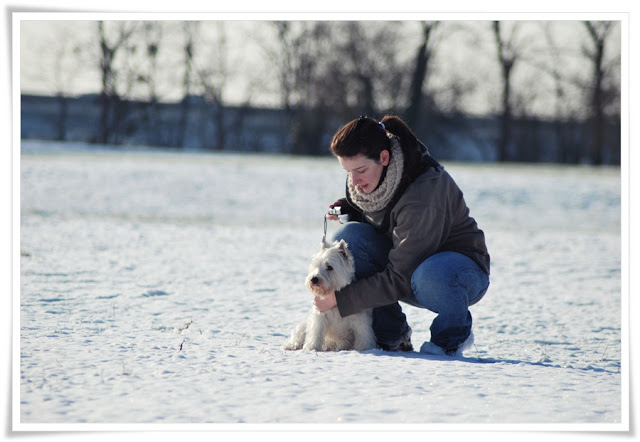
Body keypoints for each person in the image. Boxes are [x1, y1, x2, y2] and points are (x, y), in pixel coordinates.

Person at [314, 115, 490, 355]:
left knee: (428, 275)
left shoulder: (423, 193)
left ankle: (450, 339)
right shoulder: (372, 181)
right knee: (352, 237)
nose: (354, 181)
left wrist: (341, 299)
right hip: (410, 264)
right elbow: (387, 213)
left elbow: (400, 276)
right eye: (348, 172)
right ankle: (392, 335)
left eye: (360, 170)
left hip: (459, 271)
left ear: (384, 158)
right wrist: (351, 208)